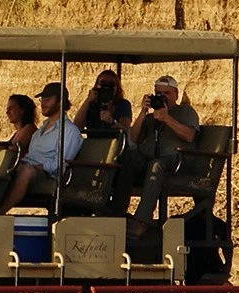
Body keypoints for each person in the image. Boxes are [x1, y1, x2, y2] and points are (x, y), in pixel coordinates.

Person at [118, 75, 199, 237]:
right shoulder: (151, 117)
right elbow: (133, 139)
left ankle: (141, 221)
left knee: (157, 165)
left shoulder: (185, 111)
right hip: (149, 160)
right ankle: (115, 212)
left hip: (177, 161)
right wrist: (143, 113)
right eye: (158, 93)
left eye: (166, 94)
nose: (162, 98)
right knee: (125, 157)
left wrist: (167, 119)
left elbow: (190, 136)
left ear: (176, 94)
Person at [0, 82, 83, 214]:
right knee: (2, 165)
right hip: (28, 166)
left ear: (60, 101)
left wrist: (38, 167)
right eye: (42, 99)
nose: (43, 103)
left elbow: (62, 164)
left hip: (47, 175)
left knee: (27, 171)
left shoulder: (70, 131)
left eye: (48, 100)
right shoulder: (39, 131)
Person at [73, 69, 133, 141]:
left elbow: (126, 131)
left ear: (117, 88)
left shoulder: (123, 104)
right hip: (93, 144)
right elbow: (77, 126)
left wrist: (112, 122)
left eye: (111, 85)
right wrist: (88, 100)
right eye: (102, 84)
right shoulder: (92, 105)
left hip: (115, 145)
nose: (106, 88)